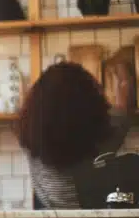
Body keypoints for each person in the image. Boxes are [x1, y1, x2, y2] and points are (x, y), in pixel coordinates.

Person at [16, 60, 134, 209]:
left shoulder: (30, 135)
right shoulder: (101, 138)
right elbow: (125, 105)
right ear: (90, 99)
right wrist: (121, 65)